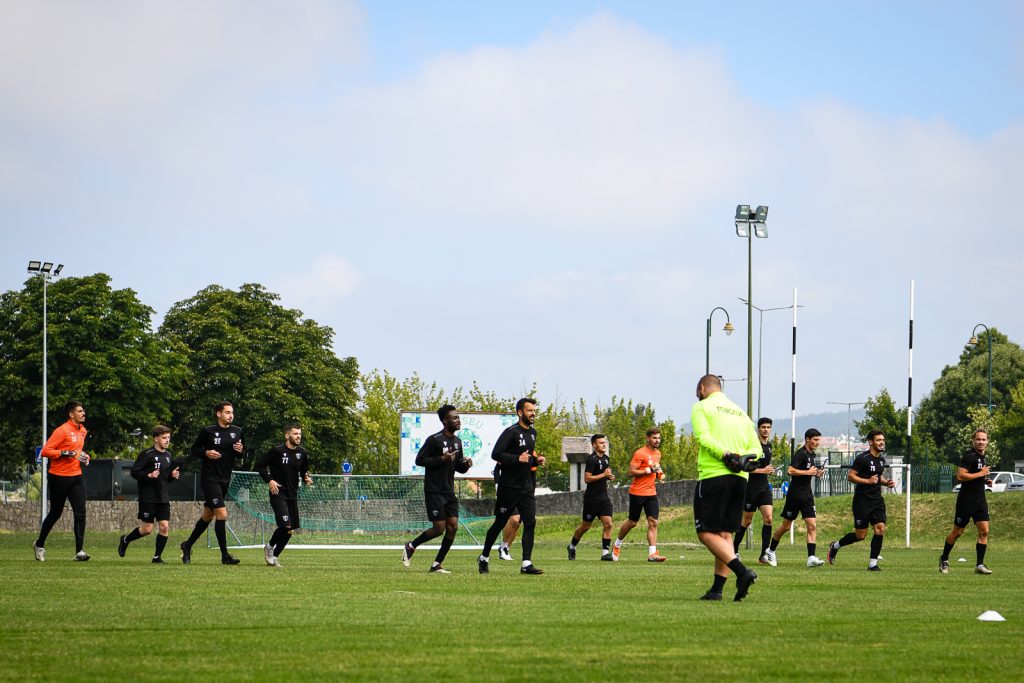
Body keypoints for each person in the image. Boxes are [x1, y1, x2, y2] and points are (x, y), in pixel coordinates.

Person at [690, 375, 761, 601]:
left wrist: (726, 455)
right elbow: (757, 450)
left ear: (702, 388)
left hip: (713, 475)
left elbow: (703, 437)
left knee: (705, 533)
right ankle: (717, 590)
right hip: (740, 479)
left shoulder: (702, 407)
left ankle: (742, 572)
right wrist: (743, 460)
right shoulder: (741, 413)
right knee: (724, 534)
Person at [478, 398, 545, 575]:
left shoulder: (533, 433)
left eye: (534, 410)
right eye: (529, 410)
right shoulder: (511, 432)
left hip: (526, 487)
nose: (533, 413)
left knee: (530, 522)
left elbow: (527, 457)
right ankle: (484, 557)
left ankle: (526, 563)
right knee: (500, 523)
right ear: (520, 412)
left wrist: (535, 460)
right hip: (509, 487)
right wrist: (516, 459)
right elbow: (496, 454)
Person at [402, 405, 472, 573]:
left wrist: (466, 465)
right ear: (445, 421)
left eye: (458, 417)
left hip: (449, 491)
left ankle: (436, 564)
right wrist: (442, 458)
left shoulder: (457, 442)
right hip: (434, 490)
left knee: (453, 527)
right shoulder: (434, 440)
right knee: (439, 528)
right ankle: (411, 546)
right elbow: (420, 460)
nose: (458, 420)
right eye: (454, 418)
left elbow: (457, 467)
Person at [179, 401, 245, 565]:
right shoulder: (208, 431)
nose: (231, 415)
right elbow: (195, 449)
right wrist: (206, 453)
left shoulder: (238, 431)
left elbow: (243, 454)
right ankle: (225, 556)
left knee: (208, 516)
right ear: (218, 414)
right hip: (209, 478)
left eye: (232, 412)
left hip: (225, 478)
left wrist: (241, 451)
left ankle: (187, 545)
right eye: (227, 412)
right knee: (222, 514)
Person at [826, 430, 895, 570]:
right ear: (871, 442)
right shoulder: (862, 458)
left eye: (883, 440)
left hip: (877, 500)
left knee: (880, 529)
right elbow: (850, 476)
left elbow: (877, 477)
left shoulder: (881, 460)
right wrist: (868, 481)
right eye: (878, 440)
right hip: (862, 501)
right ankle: (835, 546)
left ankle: (873, 564)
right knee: (860, 535)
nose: (882, 442)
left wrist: (886, 482)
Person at [34, 401, 91, 562]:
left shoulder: (83, 431)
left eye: (83, 410)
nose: (83, 413)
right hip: (58, 477)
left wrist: (85, 457)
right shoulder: (62, 430)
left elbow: (77, 451)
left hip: (76, 477)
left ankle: (79, 551)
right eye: (80, 411)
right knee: (55, 513)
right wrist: (66, 453)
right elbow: (45, 451)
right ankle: (39, 544)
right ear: (71, 414)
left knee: (81, 512)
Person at [118, 425, 181, 563]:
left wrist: (173, 475)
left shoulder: (169, 456)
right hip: (148, 497)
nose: (167, 440)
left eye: (168, 438)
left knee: (164, 527)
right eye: (164, 438)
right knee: (147, 529)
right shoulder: (147, 454)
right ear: (156, 439)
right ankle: (125, 539)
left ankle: (157, 557)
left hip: (163, 497)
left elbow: (165, 477)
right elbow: (134, 472)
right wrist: (149, 475)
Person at [765, 429, 826, 567]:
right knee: (786, 526)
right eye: (815, 440)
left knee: (812, 525)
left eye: (818, 440)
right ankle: (770, 550)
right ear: (807, 440)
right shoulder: (801, 453)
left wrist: (816, 473)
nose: (818, 442)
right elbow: (790, 470)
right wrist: (808, 472)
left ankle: (811, 557)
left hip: (807, 496)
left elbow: (809, 471)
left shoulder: (812, 454)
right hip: (795, 495)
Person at [256, 423, 313, 568]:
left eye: (300, 434)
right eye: (295, 434)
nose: (298, 436)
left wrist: (306, 478)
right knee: (285, 525)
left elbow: (303, 471)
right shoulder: (277, 451)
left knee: (290, 530)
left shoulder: (303, 453)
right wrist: (270, 480)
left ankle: (274, 557)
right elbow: (260, 465)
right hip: (278, 493)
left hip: (292, 495)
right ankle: (269, 546)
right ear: (287, 435)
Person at [939, 429, 993, 575]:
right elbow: (961, 476)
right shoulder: (969, 456)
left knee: (984, 530)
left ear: (987, 441)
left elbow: (974, 476)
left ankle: (979, 565)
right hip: (966, 501)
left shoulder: (982, 457)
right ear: (973, 441)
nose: (981, 442)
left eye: (983, 439)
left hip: (980, 500)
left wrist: (984, 480)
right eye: (978, 439)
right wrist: (981, 474)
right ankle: (944, 558)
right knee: (958, 531)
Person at [612, 428, 666, 562]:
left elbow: (655, 467)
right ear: (648, 438)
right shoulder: (640, 453)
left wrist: (659, 474)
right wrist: (649, 470)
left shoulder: (658, 453)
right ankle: (617, 544)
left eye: (658, 438)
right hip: (637, 492)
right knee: (632, 522)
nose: (657, 440)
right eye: (654, 438)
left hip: (651, 492)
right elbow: (631, 472)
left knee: (653, 522)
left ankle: (652, 554)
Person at [733, 417, 776, 564]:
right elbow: (745, 467)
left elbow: (764, 467)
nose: (766, 430)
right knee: (746, 520)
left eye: (768, 427)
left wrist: (769, 470)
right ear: (758, 429)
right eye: (763, 427)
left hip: (764, 488)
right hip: (750, 488)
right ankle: (734, 549)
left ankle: (764, 554)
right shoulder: (752, 446)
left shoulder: (769, 446)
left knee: (769, 518)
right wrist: (762, 470)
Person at [567, 434, 615, 561]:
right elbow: (587, 479)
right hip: (591, 499)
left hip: (603, 498)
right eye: (601, 443)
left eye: (605, 442)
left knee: (608, 524)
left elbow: (604, 475)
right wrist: (603, 474)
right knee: (585, 527)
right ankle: (572, 546)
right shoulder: (591, 459)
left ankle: (605, 554)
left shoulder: (606, 458)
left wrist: (609, 476)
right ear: (594, 445)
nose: (604, 445)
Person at [492, 462, 521, 562]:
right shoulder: (507, 453)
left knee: (517, 523)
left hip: (521, 490)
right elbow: (496, 469)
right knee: (515, 520)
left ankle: (506, 548)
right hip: (506, 491)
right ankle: (503, 546)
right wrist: (497, 485)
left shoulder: (527, 453)